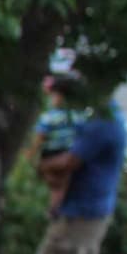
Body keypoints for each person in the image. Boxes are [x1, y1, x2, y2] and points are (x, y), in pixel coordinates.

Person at [23, 78, 126, 254]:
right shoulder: (106, 118)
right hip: (93, 207)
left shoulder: (102, 123)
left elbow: (69, 161)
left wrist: (39, 164)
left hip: (82, 209)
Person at [33, 74, 91, 214]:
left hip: (50, 153)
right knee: (62, 184)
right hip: (69, 153)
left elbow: (40, 137)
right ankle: (57, 207)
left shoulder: (49, 117)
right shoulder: (79, 116)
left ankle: (52, 208)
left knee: (52, 181)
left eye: (54, 96)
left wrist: (31, 154)